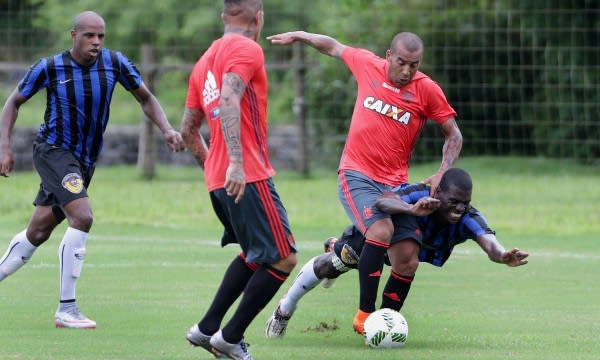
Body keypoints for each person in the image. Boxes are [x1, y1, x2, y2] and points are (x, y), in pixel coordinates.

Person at [267, 30, 464, 333]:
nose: (407, 70)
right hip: (356, 175)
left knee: (405, 259)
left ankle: (382, 327)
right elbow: (333, 46)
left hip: (395, 188)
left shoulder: (427, 90)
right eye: (402, 62)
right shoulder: (366, 64)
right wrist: (301, 36)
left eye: (414, 64)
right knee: (381, 230)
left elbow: (454, 134)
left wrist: (442, 172)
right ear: (388, 56)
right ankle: (363, 316)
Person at [0, 11, 183, 329]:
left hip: (84, 161)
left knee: (39, 231)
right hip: (54, 152)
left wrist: (167, 129)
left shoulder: (115, 64)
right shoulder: (51, 67)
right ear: (74, 35)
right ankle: (66, 309)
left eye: (101, 36)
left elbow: (146, 97)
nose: (96, 42)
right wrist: (3, 146)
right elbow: (12, 103)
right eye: (89, 36)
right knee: (82, 217)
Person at [265, 168, 529, 339]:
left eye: (465, 202)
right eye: (454, 201)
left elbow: (490, 243)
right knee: (340, 261)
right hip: (382, 234)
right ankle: (285, 308)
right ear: (437, 192)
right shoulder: (419, 194)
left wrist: (502, 255)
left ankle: (382, 328)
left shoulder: (467, 217)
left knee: (408, 262)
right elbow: (381, 201)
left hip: (402, 253)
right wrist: (409, 209)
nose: (460, 208)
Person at [180, 1, 297, 359]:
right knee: (283, 258)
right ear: (258, 17)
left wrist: (213, 166)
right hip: (246, 174)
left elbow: (188, 130)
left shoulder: (204, 60)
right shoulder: (247, 47)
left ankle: (205, 329)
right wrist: (235, 162)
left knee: (253, 255)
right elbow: (230, 96)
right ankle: (229, 338)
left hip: (219, 178)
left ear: (223, 17)